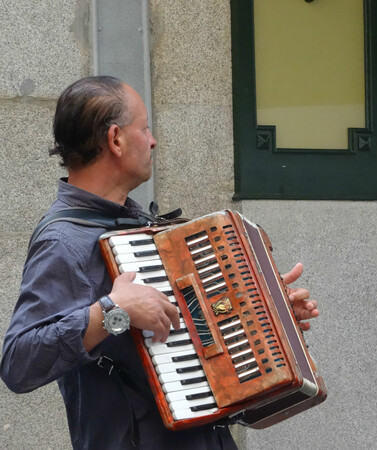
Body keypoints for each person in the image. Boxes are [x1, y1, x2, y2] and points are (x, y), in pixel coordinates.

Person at [0, 76, 319, 449]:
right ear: (116, 139)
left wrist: (263, 317)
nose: (153, 140)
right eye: (145, 127)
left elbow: (192, 329)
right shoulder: (63, 241)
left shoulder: (138, 229)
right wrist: (111, 313)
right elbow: (18, 363)